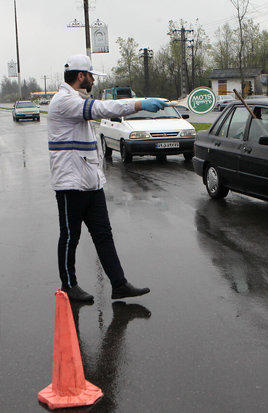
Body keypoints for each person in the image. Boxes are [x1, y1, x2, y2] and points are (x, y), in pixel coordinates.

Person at [48, 54, 167, 302]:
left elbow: (100, 112)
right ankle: (68, 286)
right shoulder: (63, 101)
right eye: (91, 75)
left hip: (91, 183)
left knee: (103, 234)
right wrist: (140, 103)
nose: (93, 80)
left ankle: (119, 283)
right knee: (70, 237)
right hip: (71, 184)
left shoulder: (78, 99)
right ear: (81, 76)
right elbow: (101, 109)